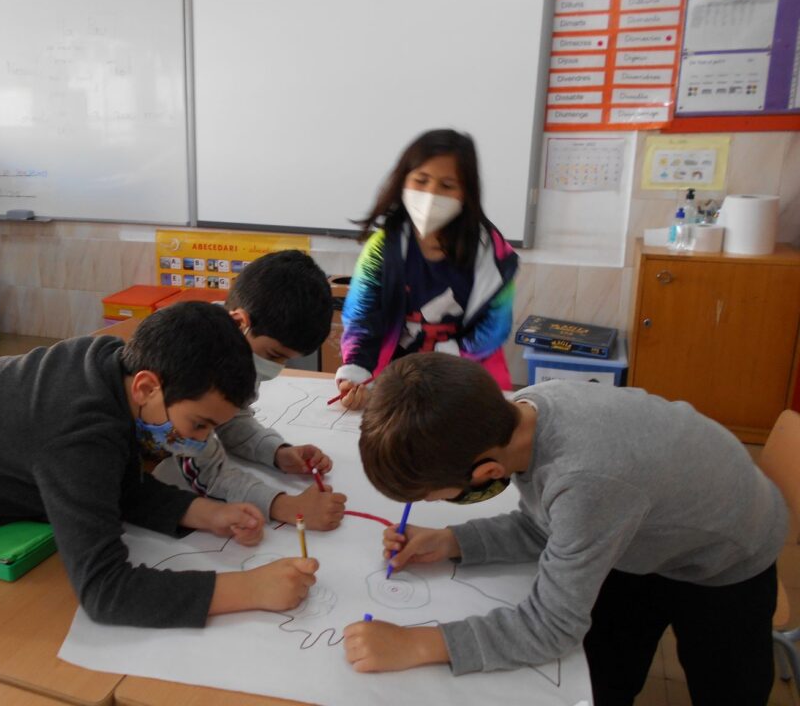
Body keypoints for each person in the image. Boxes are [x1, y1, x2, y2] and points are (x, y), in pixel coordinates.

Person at [0, 302, 319, 627]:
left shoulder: (115, 370)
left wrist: (203, 513)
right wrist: (248, 588)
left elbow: (108, 484)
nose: (199, 440)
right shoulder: (76, 427)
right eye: (199, 424)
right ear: (147, 386)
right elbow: (105, 591)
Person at [343, 352, 785, 706]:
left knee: (726, 688)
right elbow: (552, 525)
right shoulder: (520, 412)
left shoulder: (586, 482)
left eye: (433, 496)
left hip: (726, 552)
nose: (434, 504)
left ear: (487, 472)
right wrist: (451, 541)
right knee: (605, 672)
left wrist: (418, 644)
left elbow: (551, 627)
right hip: (639, 522)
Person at [152, 250, 348, 530]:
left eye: (286, 360)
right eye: (273, 355)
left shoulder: (235, 348)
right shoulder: (193, 364)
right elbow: (204, 469)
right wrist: (284, 505)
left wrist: (276, 452)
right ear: (240, 323)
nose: (276, 368)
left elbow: (232, 419)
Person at [335, 128, 518, 408]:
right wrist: (355, 374)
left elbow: (494, 328)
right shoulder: (382, 248)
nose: (432, 194)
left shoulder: (494, 255)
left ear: (466, 192)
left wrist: (441, 362)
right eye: (421, 180)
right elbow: (362, 317)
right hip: (395, 383)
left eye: (447, 185)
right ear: (403, 181)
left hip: (467, 379)